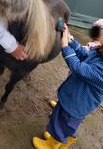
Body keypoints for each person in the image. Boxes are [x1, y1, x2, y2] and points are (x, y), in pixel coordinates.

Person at [32, 20, 103, 149]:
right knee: (66, 123)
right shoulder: (99, 54)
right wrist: (70, 40)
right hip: (73, 97)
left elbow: (78, 68)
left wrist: (65, 46)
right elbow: (84, 54)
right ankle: (65, 141)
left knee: (61, 123)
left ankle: (52, 145)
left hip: (77, 103)